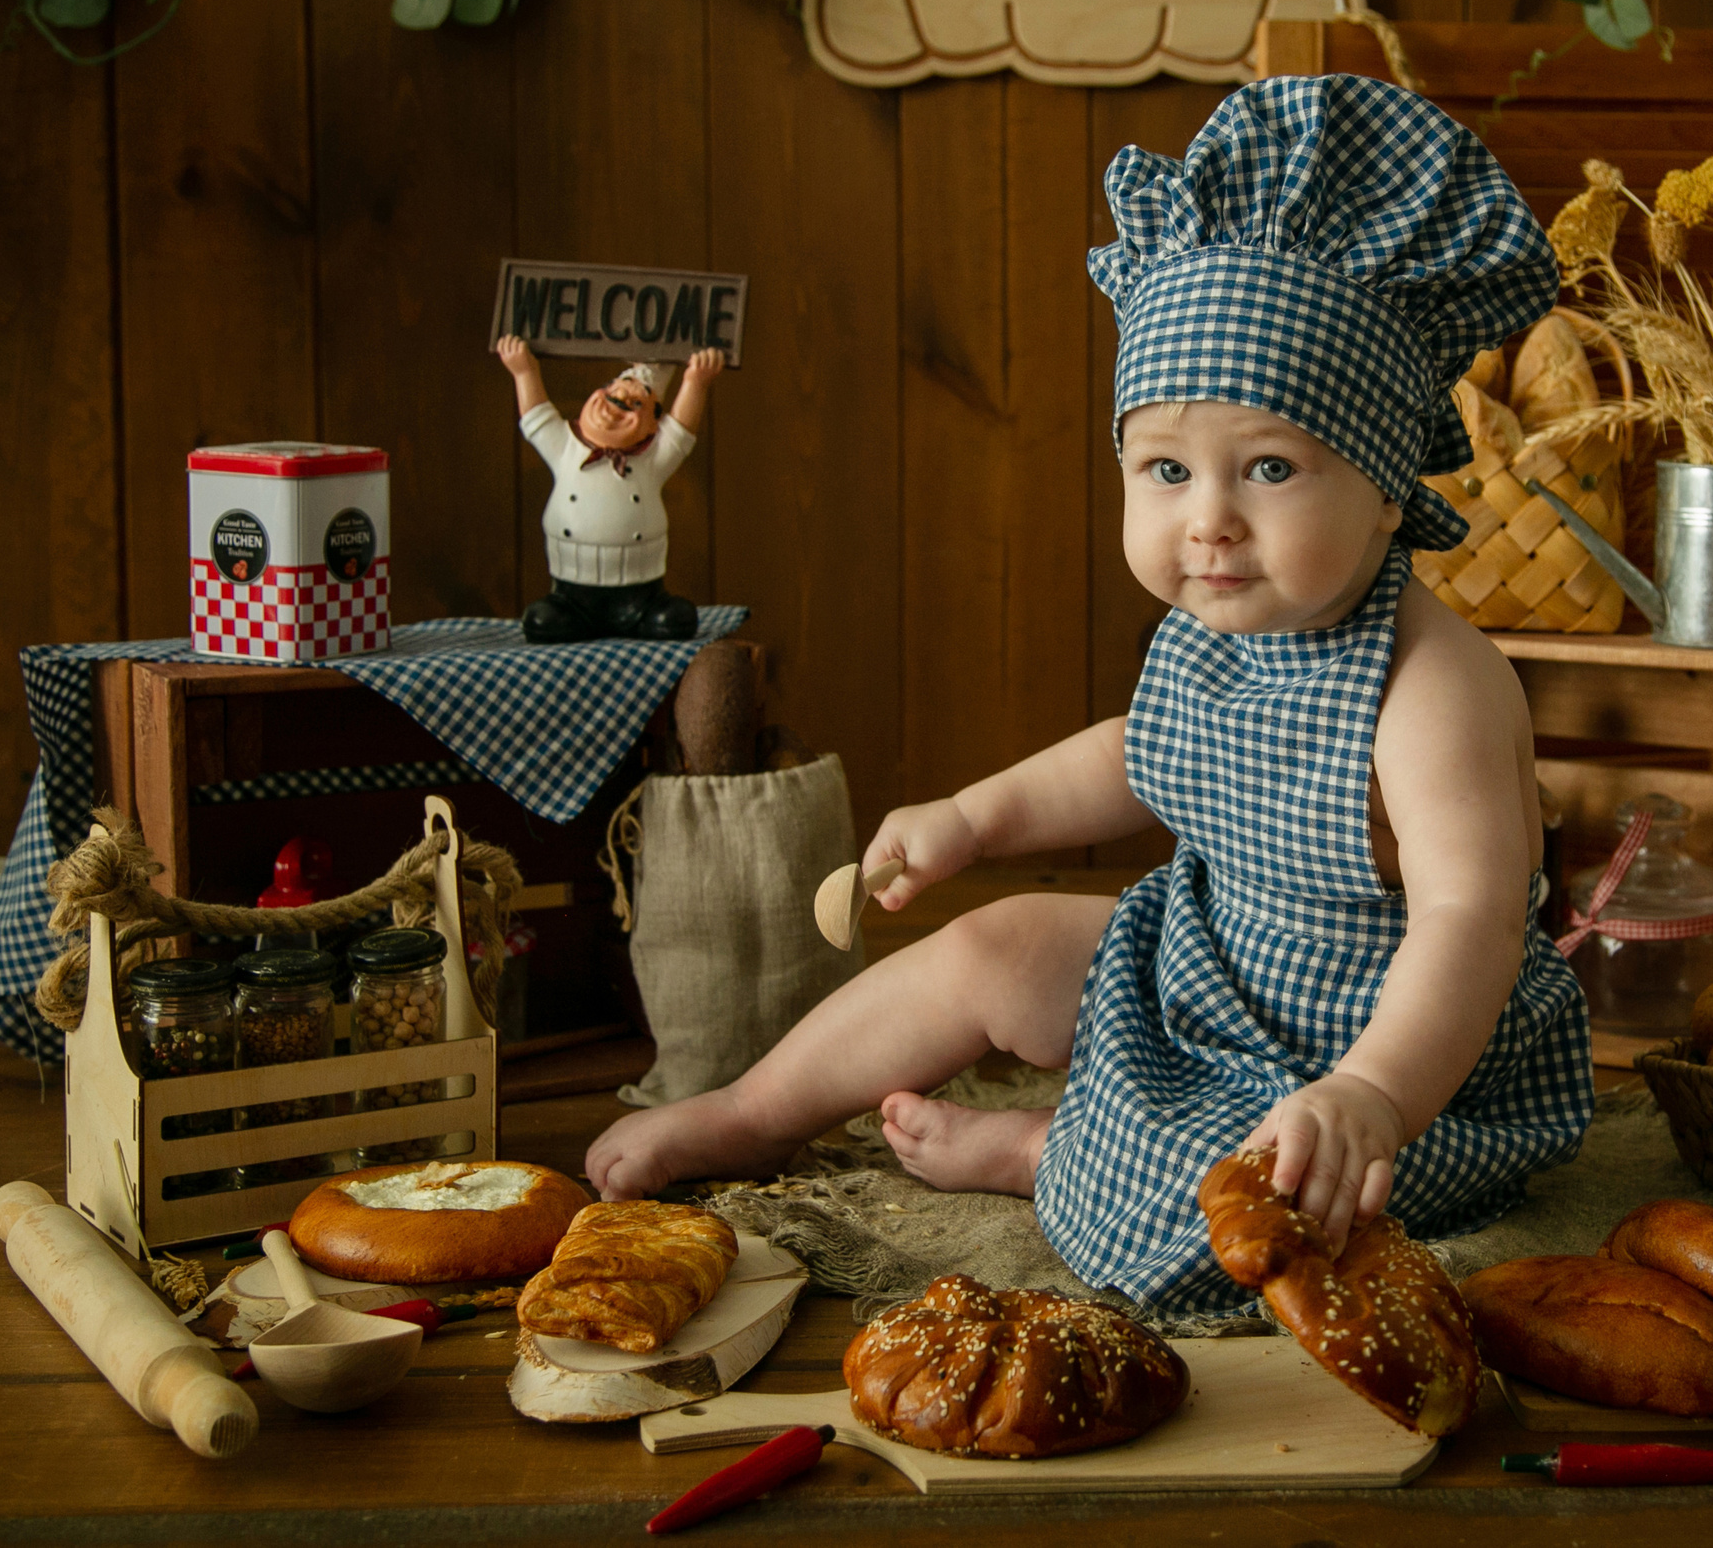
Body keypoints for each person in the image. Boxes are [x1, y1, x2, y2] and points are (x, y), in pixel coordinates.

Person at [584, 77, 1597, 1313]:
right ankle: (750, 1110)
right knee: (995, 944)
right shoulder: (1212, 623)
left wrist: (1373, 1092)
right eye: (1165, 470)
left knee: (1251, 1207)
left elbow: (1470, 922)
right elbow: (1139, 752)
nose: (1208, 520)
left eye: (1269, 469)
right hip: (1211, 959)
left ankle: (1041, 1154)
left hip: (1386, 1046)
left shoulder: (1433, 685)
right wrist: (973, 819)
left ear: (1386, 484)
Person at [495, 337, 724, 643]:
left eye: (635, 404)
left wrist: (696, 383)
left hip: (640, 591)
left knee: (673, 621)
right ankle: (568, 613)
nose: (618, 405)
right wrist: (525, 372)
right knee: (543, 622)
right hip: (572, 589)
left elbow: (681, 430)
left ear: (652, 424)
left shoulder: (652, 460)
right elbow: (537, 416)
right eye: (612, 394)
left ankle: (644, 615)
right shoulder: (565, 447)